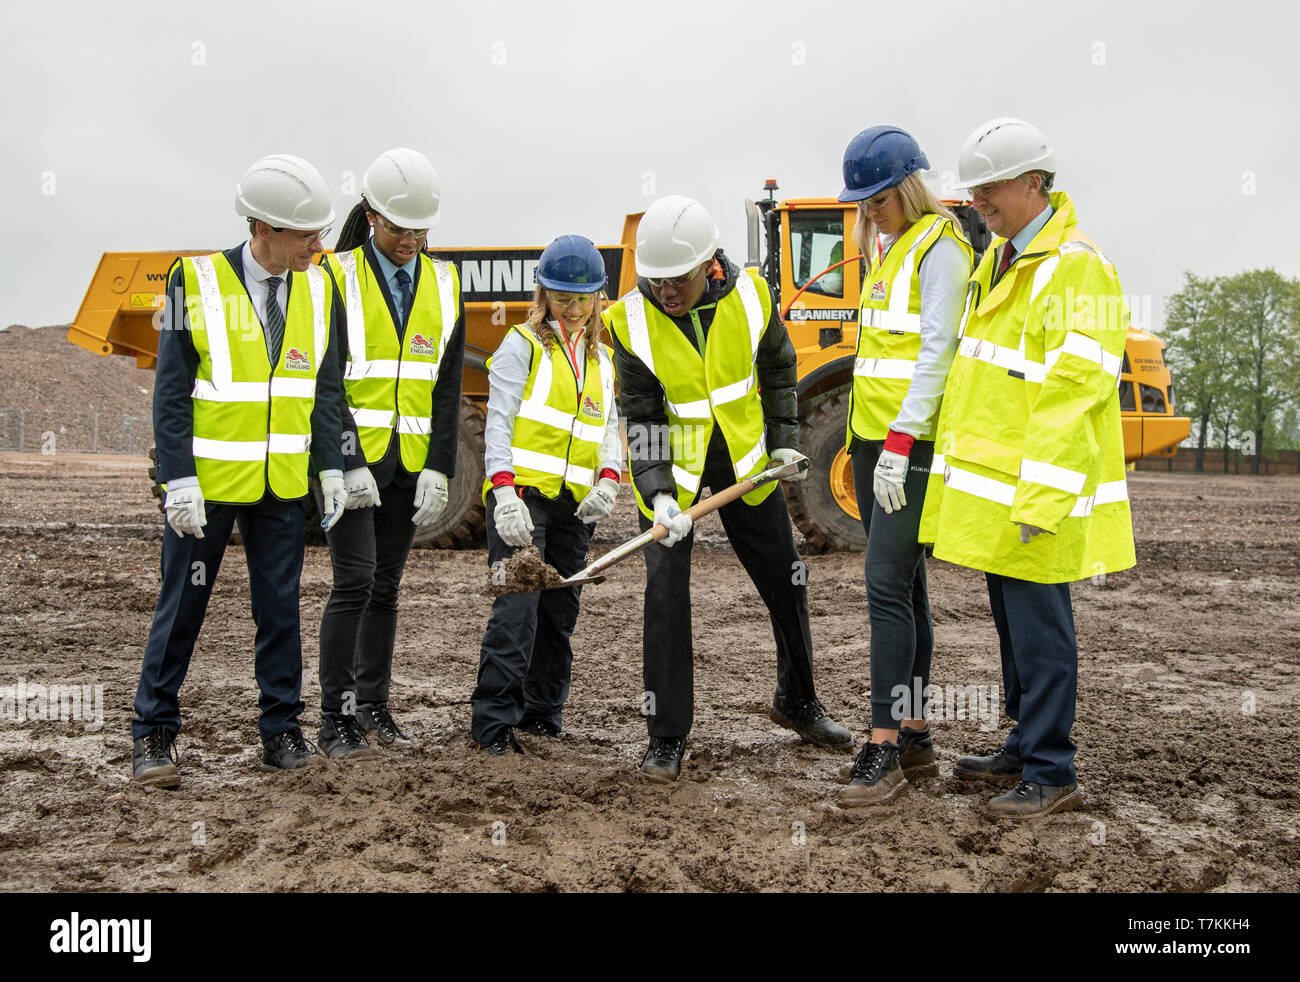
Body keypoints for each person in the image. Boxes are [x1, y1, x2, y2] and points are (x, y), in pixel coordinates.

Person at [917, 118, 1136, 819]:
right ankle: (1022, 745)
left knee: (1042, 635)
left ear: (1034, 183)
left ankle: (1051, 772)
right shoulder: (1005, 258)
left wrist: (1041, 498)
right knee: (1016, 630)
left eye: (989, 188)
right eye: (974, 190)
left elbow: (1076, 391)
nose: (978, 201)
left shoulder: (1077, 266)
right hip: (999, 491)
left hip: (1039, 493)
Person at [605, 194, 852, 783]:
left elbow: (779, 367)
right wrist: (660, 490)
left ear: (710, 263)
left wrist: (785, 437)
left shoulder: (752, 294)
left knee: (787, 580)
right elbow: (640, 412)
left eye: (679, 280)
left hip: (745, 460)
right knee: (666, 598)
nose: (667, 292)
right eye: (657, 280)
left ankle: (797, 700)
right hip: (675, 468)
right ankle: (665, 735)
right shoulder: (629, 319)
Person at [131, 154, 347, 786]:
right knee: (183, 605)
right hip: (210, 486)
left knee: (280, 610)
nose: (318, 245)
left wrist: (330, 468)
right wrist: (178, 479)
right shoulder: (192, 282)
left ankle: (281, 730)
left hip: (281, 486)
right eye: (306, 234)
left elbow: (325, 390)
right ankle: (154, 733)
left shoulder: (321, 285)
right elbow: (171, 392)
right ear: (263, 229)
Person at [834, 127, 973, 807]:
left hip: (907, 448)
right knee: (908, 589)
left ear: (909, 185)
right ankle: (915, 737)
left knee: (885, 587)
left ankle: (883, 746)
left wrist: (900, 440)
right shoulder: (891, 250)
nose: (869, 211)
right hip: (872, 442)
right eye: (862, 202)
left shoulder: (941, 248)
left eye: (878, 198)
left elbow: (939, 352)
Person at [316, 148, 466, 758]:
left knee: (387, 585)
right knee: (353, 582)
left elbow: (447, 384)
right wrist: (346, 460)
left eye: (421, 229)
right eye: (399, 227)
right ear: (371, 216)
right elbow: (325, 383)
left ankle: (374, 705)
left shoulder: (444, 282)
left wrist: (439, 464)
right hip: (355, 460)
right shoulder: (335, 275)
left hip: (408, 465)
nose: (410, 239)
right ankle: (335, 717)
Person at [470, 235, 622, 755]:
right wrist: (503, 494)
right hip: (522, 500)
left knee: (559, 615)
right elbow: (499, 425)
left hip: (574, 507)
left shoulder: (603, 357)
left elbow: (607, 427)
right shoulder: (521, 345)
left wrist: (609, 477)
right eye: (563, 297)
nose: (575, 309)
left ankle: (541, 718)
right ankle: (492, 725)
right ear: (543, 293)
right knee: (517, 611)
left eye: (584, 299)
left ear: (600, 296)